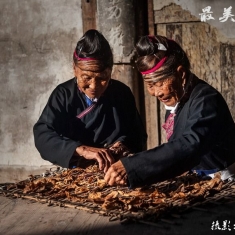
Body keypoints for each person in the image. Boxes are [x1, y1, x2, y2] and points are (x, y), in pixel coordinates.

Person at [104, 35, 235, 188]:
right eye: (150, 85)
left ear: (181, 73)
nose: (156, 93)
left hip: (223, 182)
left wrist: (133, 166)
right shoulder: (177, 100)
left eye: (160, 84)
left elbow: (190, 145)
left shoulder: (206, 99)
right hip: (195, 180)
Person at [33, 29, 147, 172]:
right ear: (75, 69)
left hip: (115, 170)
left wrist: (122, 145)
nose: (93, 86)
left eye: (102, 78)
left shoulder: (122, 93)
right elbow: (43, 135)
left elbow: (137, 135)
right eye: (86, 77)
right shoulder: (63, 94)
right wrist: (81, 149)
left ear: (110, 71)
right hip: (78, 170)